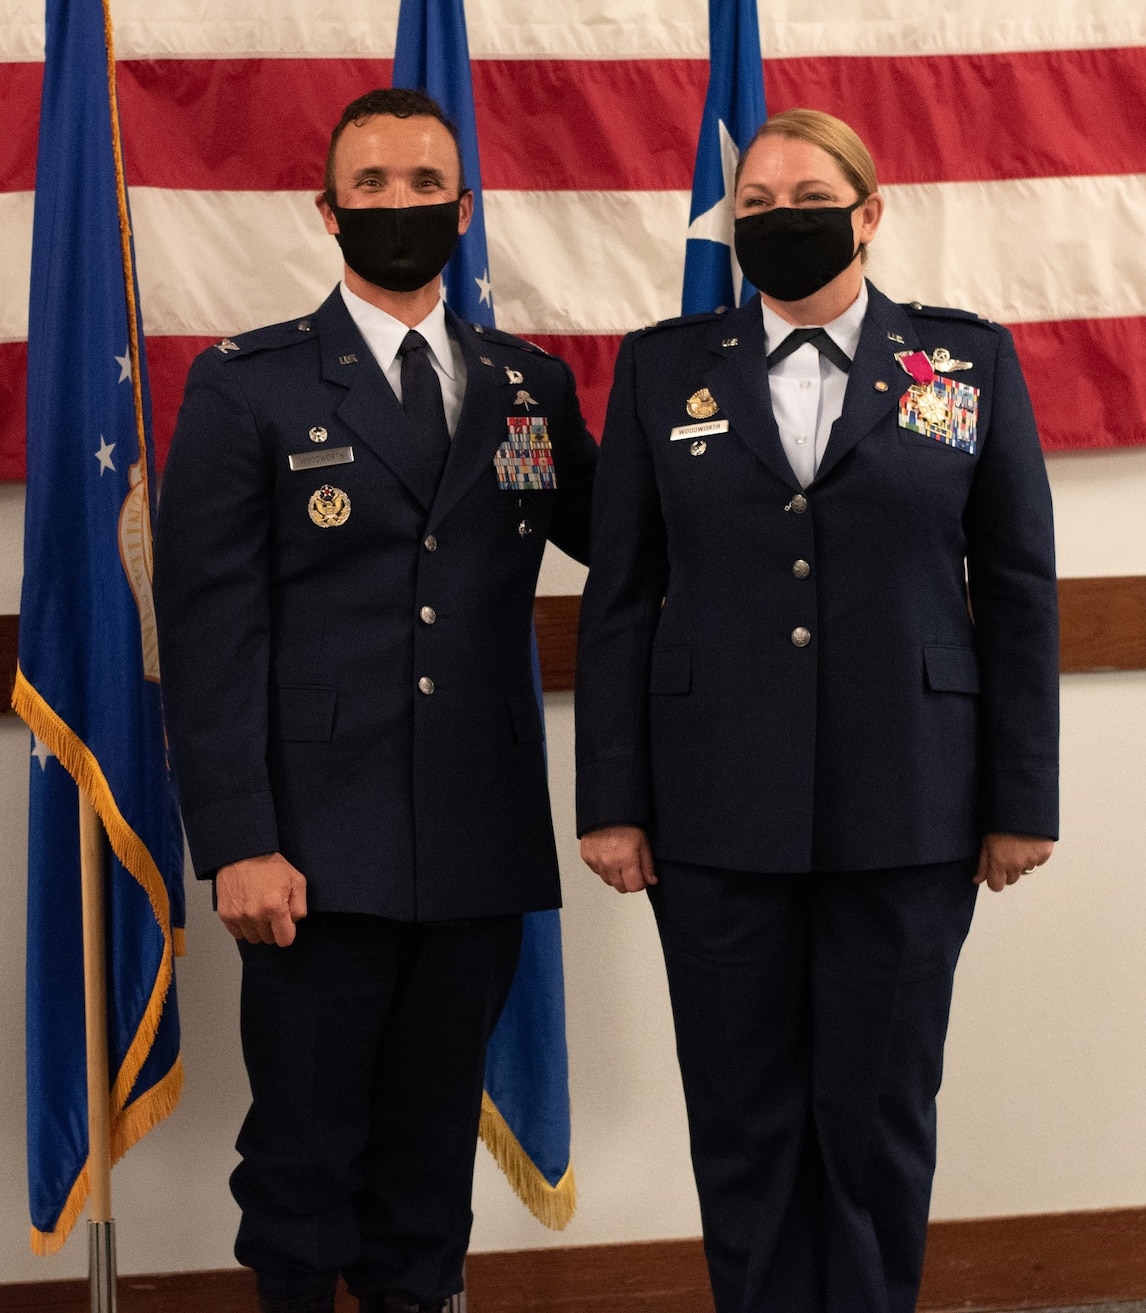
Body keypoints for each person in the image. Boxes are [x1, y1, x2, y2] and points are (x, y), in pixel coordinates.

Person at [575, 108, 1059, 1313]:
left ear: (868, 210)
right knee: (741, 1115)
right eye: (753, 207)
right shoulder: (659, 366)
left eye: (804, 199)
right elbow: (622, 596)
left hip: (910, 804)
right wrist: (612, 801)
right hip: (711, 810)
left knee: (876, 1111)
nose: (777, 220)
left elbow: (1012, 592)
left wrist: (1019, 797)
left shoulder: (965, 363)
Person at [153, 88, 594, 1313]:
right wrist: (238, 837)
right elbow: (207, 632)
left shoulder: (527, 385)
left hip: (474, 839)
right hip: (309, 850)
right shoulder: (249, 386)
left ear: (463, 207)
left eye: (420, 185)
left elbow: (636, 555)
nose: (397, 205)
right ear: (327, 209)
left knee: (426, 1164)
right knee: (301, 1163)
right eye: (371, 185)